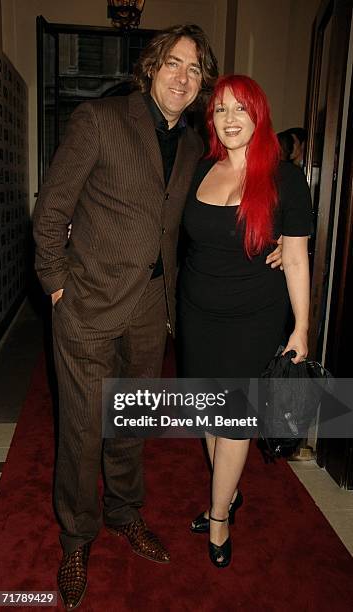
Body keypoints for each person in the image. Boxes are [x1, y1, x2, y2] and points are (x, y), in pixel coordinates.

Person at [34, 24, 281, 607]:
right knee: (81, 429)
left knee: (132, 422)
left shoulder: (198, 146)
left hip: (151, 307)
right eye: (174, 64)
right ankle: (76, 538)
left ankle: (125, 514)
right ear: (152, 67)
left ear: (201, 86)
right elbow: (51, 210)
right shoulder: (100, 120)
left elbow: (218, 213)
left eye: (194, 71)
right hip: (87, 303)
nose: (182, 77)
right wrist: (56, 287)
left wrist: (279, 244)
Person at [177, 74, 312, 568]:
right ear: (210, 119)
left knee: (234, 421)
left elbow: (296, 259)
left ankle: (218, 516)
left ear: (259, 116)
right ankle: (228, 493)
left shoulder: (284, 177)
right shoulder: (200, 168)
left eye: (240, 110)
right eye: (220, 110)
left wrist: (301, 328)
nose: (230, 119)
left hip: (253, 315)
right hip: (197, 312)